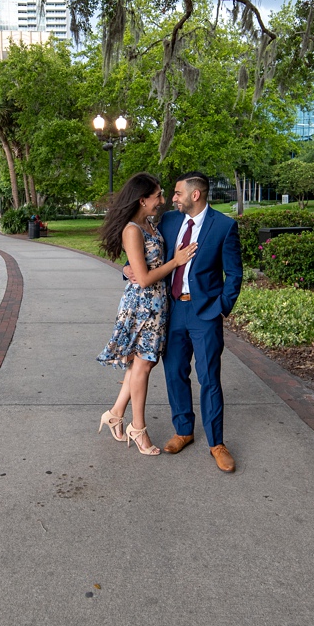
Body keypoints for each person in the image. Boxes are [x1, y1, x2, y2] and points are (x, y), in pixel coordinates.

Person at [129, 171, 243, 472]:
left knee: (208, 378)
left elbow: (235, 274)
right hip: (173, 310)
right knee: (174, 373)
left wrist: (221, 307)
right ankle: (183, 431)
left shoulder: (224, 226)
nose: (172, 199)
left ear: (196, 195)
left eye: (177, 193)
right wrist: (128, 268)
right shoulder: (169, 222)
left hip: (205, 313)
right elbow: (145, 254)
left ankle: (216, 443)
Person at [96, 173, 197, 456]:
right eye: (158, 196)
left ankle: (116, 413)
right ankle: (137, 428)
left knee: (142, 365)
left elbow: (137, 265)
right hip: (142, 305)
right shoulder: (133, 229)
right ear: (143, 200)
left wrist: (133, 268)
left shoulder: (149, 224)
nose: (163, 201)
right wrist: (175, 262)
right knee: (143, 365)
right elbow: (142, 278)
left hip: (157, 304)